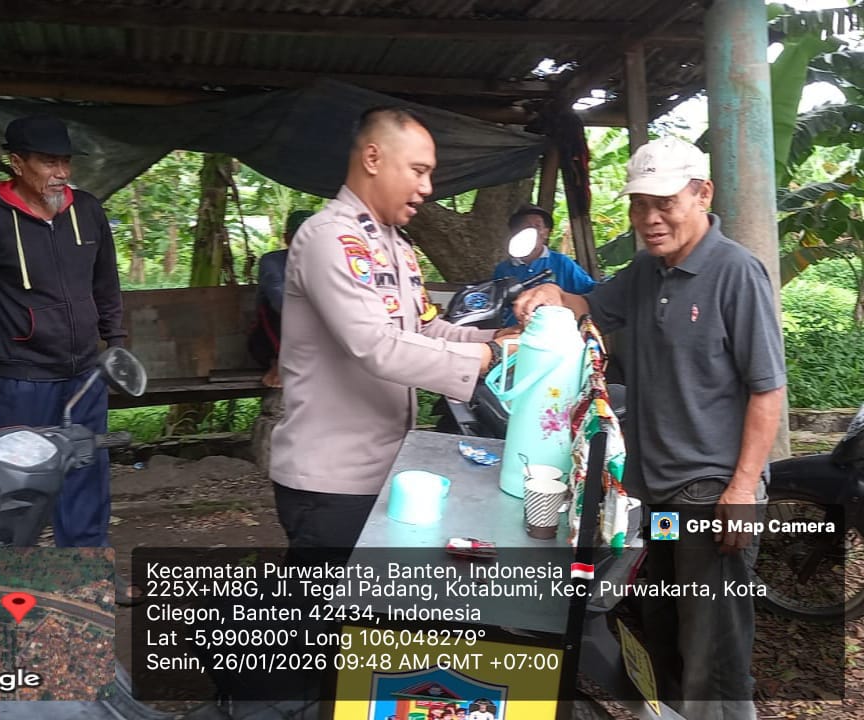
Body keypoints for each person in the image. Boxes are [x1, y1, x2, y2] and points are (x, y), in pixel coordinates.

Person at [513, 136, 786, 720]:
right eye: (640, 204)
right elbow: (589, 304)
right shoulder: (646, 270)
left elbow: (768, 390)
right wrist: (552, 293)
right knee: (663, 623)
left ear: (702, 194)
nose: (650, 218)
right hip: (658, 494)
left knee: (713, 648)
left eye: (665, 203)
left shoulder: (736, 272)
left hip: (711, 493)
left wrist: (743, 489)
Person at [269, 107, 508, 552]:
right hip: (332, 479)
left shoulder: (395, 245)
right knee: (320, 597)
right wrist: (485, 360)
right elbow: (376, 345)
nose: (428, 187)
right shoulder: (330, 238)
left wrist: (497, 341)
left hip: (384, 467)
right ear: (373, 159)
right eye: (418, 170)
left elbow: (427, 330)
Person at [0, 115, 127, 549]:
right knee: (13, 478)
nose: (61, 172)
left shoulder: (87, 211)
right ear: (18, 163)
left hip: (86, 374)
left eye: (65, 162)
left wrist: (115, 343)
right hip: (21, 375)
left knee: (86, 469)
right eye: (48, 162)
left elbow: (106, 283)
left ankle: (85, 566)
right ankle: (11, 570)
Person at [493, 204, 595, 326]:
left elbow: (590, 292)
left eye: (537, 226)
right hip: (513, 333)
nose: (532, 231)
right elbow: (495, 307)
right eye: (525, 226)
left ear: (546, 233)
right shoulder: (503, 269)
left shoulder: (562, 263)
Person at [247, 209, 314, 388]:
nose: (306, 241)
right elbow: (279, 299)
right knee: (272, 306)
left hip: (314, 344)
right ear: (287, 238)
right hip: (269, 344)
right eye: (299, 236)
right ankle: (280, 361)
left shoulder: (328, 262)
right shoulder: (273, 261)